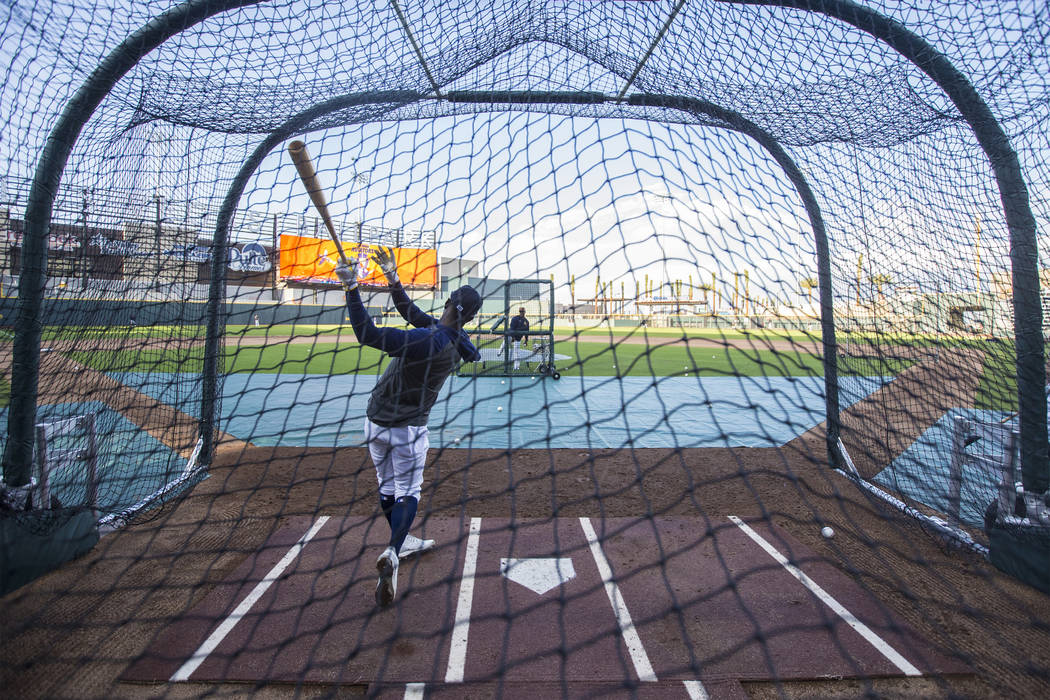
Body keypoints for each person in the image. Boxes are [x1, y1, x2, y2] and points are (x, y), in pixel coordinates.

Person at [336, 246, 481, 607]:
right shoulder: (455, 341)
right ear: (471, 318)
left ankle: (397, 543)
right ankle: (394, 548)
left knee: (387, 486)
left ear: (447, 301)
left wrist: (351, 288)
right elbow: (412, 312)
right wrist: (392, 278)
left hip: (374, 423)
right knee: (409, 491)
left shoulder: (427, 338)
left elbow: (368, 334)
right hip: (409, 431)